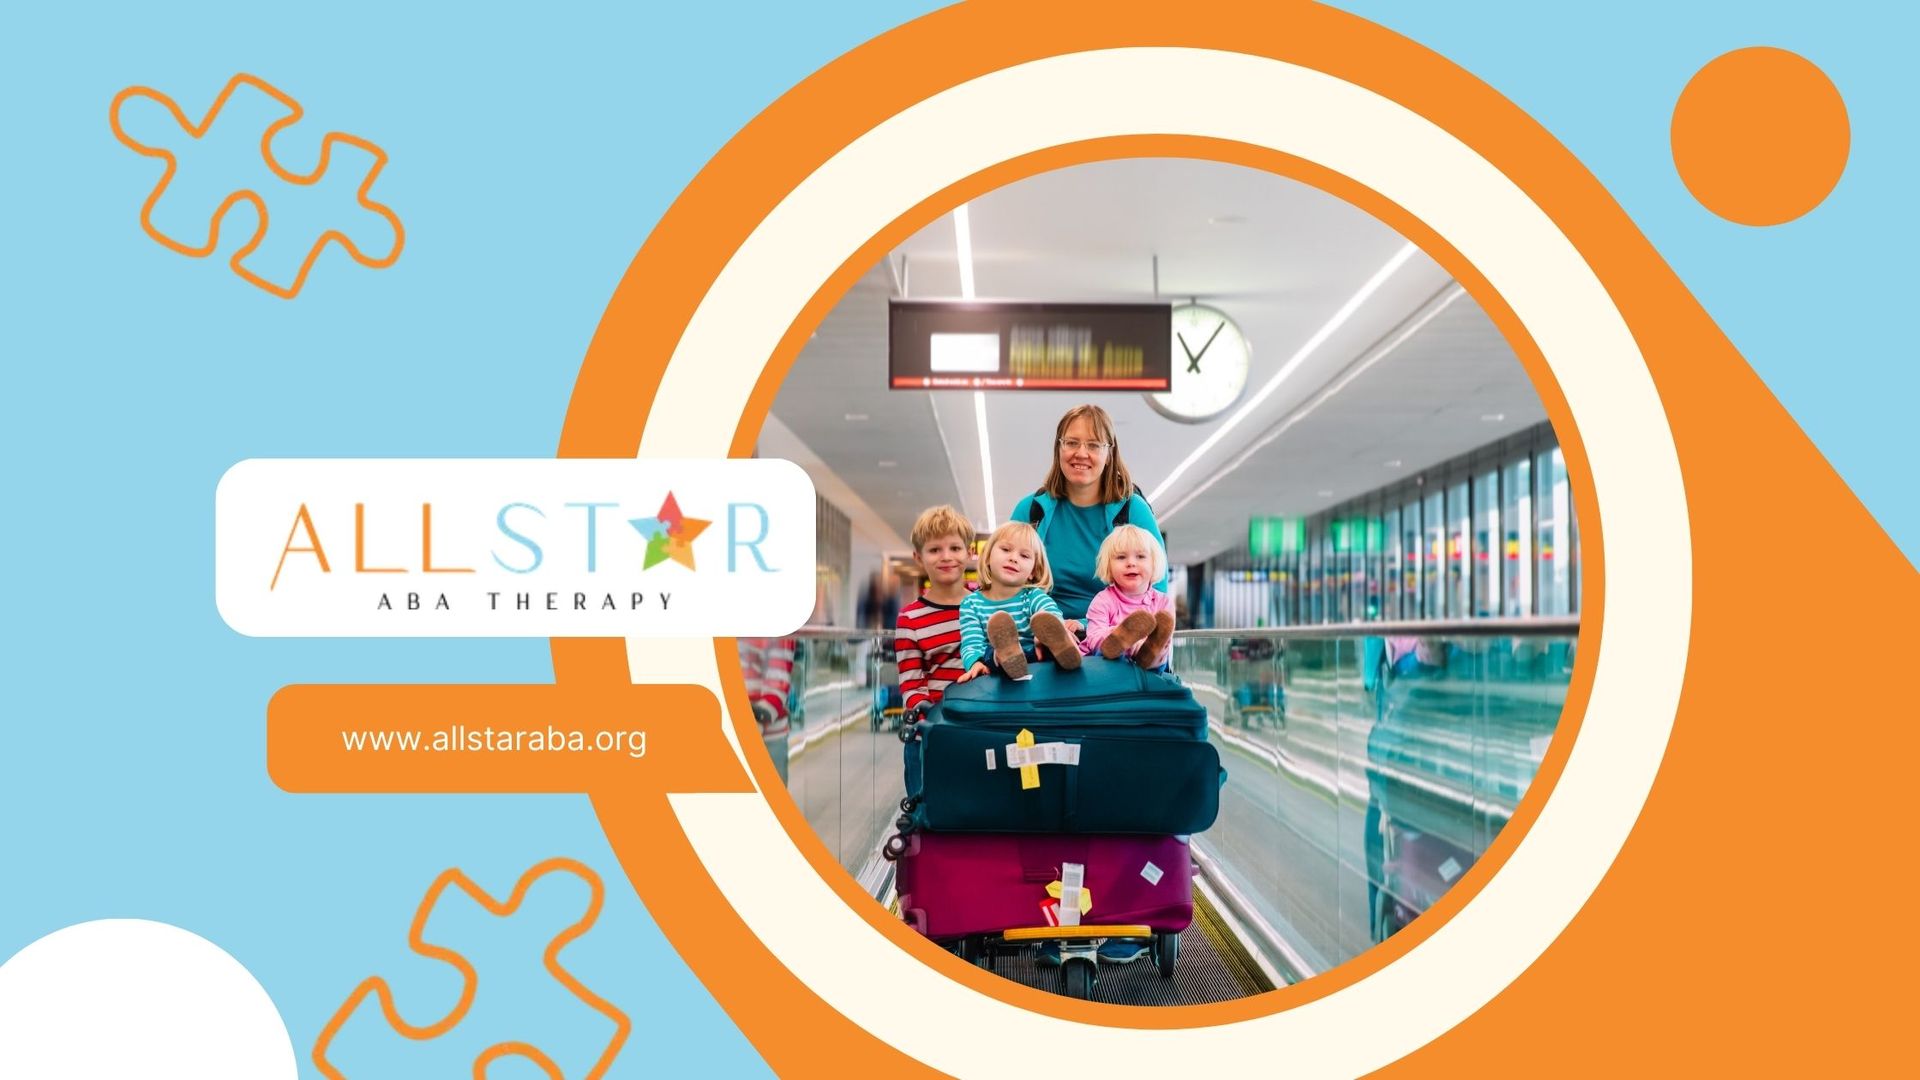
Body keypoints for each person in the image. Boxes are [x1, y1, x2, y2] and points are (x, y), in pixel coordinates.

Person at [1009, 404, 1168, 624]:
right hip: (1040, 635)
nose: (1081, 453)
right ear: (1059, 449)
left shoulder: (1132, 510)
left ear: (1109, 454)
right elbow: (1004, 581)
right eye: (1071, 443)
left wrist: (1084, 627)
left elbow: (1157, 587)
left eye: (1093, 445)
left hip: (1115, 638)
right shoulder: (1030, 511)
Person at [954, 522, 1080, 683]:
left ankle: (1061, 651)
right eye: (1006, 550)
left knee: (1045, 638)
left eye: (1024, 556)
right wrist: (975, 663)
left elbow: (1050, 614)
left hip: (1037, 657)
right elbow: (971, 641)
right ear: (987, 558)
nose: (1013, 558)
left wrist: (1052, 633)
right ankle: (1007, 654)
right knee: (994, 650)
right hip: (995, 663)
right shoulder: (971, 603)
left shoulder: (1033, 596)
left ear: (1033, 572)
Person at [895, 506, 974, 716]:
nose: (946, 557)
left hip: (982, 727)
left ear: (970, 553)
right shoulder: (909, 619)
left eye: (955, 548)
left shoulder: (987, 607)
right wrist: (936, 725)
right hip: (933, 732)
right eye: (934, 550)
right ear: (919, 558)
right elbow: (911, 687)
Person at [1079, 524, 1176, 670]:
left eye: (1141, 556)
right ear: (1108, 565)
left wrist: (1143, 644)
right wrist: (1123, 638)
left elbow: (1167, 642)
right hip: (1107, 664)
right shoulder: (1103, 600)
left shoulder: (1163, 602)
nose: (1131, 563)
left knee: (1160, 656)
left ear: (1154, 563)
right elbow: (1093, 638)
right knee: (1103, 651)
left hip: (1150, 666)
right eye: (1121, 557)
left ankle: (1149, 654)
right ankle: (1123, 642)